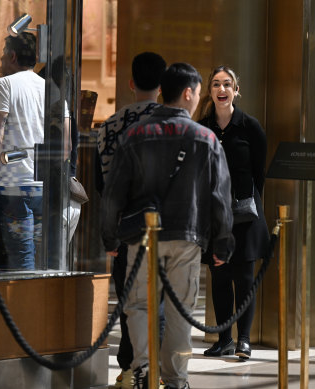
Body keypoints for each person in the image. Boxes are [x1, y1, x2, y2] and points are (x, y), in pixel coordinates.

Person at [101, 63, 235, 389]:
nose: (198, 100)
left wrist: (110, 237)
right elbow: (220, 196)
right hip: (186, 237)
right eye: (200, 93)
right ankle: (176, 380)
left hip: (141, 237)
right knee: (180, 310)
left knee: (138, 306)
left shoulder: (135, 134)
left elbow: (114, 193)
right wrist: (223, 243)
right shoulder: (206, 138)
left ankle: (143, 372)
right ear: (188, 93)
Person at [96, 51, 167, 389]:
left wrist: (109, 233)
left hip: (125, 225)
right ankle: (153, 371)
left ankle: (130, 370)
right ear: (162, 84)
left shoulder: (110, 126)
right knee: (159, 300)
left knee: (128, 301)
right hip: (166, 226)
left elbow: (102, 185)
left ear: (130, 82)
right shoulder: (174, 124)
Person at [197, 65, 270, 360]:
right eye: (216, 84)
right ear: (210, 91)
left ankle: (244, 340)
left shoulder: (250, 126)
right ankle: (224, 338)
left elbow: (258, 173)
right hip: (215, 215)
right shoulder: (203, 127)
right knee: (219, 276)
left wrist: (248, 203)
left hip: (245, 213)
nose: (222, 89)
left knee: (243, 277)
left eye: (227, 84)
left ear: (236, 91)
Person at [0, 32, 45, 270]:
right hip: (44, 188)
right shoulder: (49, 88)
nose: (0, 61)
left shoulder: (3, 85)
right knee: (44, 259)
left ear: (12, 56)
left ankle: (24, 307)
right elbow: (66, 142)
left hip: (14, 187)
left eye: (2, 55)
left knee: (21, 259)